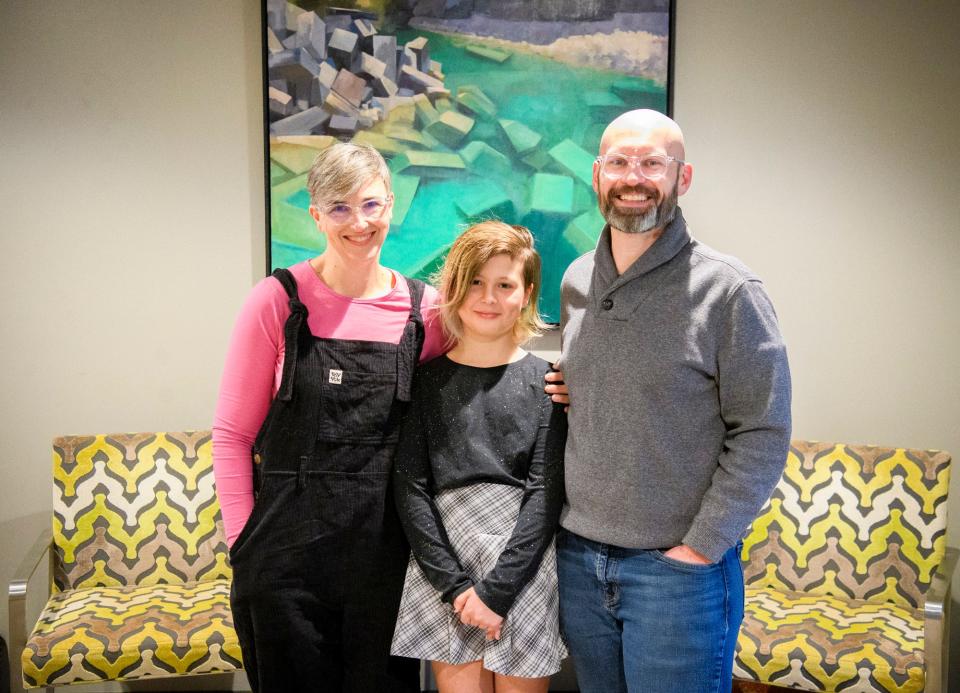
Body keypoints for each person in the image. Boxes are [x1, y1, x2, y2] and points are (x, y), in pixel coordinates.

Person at [552, 109, 792, 693]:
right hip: (581, 560)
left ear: (682, 178)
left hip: (676, 574)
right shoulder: (577, 280)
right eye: (619, 161)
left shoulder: (729, 290)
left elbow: (762, 431)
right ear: (597, 174)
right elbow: (614, 390)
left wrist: (699, 549)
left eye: (652, 162)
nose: (634, 176)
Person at [212, 143, 445, 692]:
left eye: (370, 205)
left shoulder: (426, 311)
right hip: (285, 565)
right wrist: (243, 545)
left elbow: (461, 406)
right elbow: (231, 436)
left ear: (392, 206)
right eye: (339, 208)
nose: (358, 222)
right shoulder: (276, 301)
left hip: (385, 563)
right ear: (316, 215)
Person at [390, 222, 568, 693]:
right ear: (452, 287)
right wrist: (455, 586)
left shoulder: (548, 383)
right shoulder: (426, 383)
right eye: (475, 282)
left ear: (526, 294)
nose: (488, 297)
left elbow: (544, 492)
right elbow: (410, 487)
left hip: (522, 564)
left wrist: (498, 590)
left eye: (504, 285)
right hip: (445, 562)